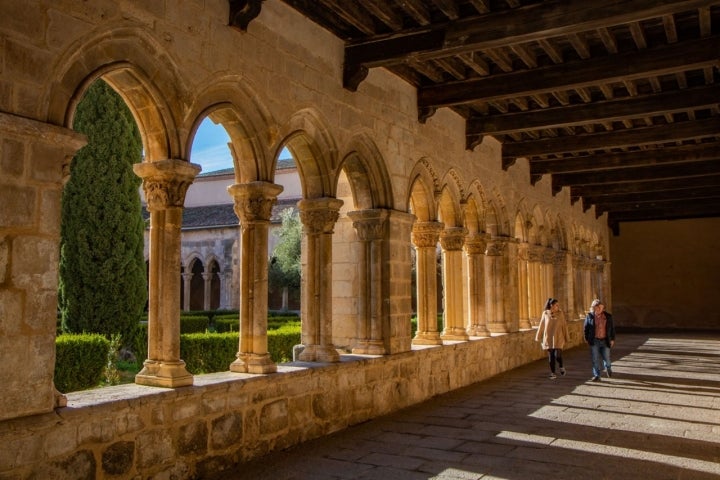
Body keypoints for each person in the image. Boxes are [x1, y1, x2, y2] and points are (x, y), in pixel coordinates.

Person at [535, 297, 569, 379]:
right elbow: (541, 325)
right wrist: (538, 336)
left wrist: (567, 337)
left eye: (558, 305)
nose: (558, 306)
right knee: (551, 357)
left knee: (558, 355)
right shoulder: (545, 313)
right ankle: (553, 373)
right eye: (556, 305)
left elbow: (564, 325)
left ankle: (561, 366)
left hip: (559, 337)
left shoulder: (560, 314)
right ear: (551, 305)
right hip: (548, 338)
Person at [583, 299, 616, 382]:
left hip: (605, 340)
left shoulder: (608, 316)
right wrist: (587, 338)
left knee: (607, 358)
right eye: (597, 308)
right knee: (595, 359)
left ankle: (608, 368)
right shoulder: (590, 316)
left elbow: (612, 329)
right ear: (593, 308)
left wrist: (612, 339)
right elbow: (586, 328)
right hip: (594, 341)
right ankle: (597, 375)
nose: (599, 309)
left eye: (601, 307)